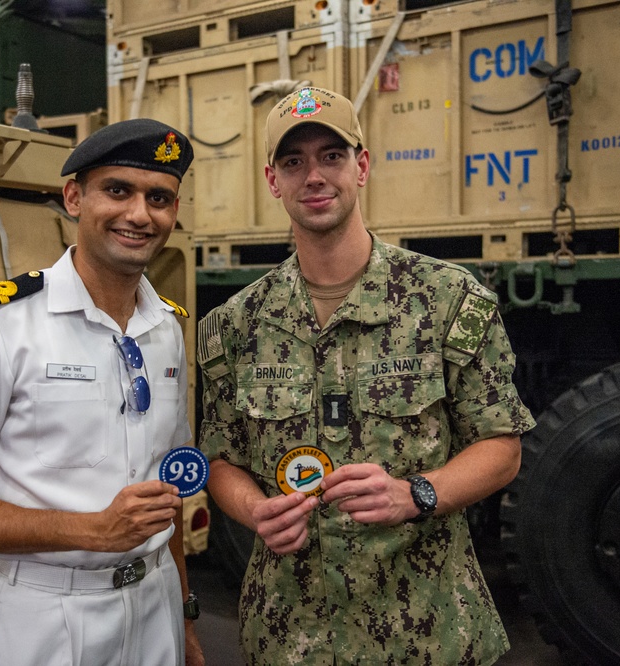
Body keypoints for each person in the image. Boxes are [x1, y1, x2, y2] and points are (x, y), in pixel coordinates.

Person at [196, 86, 537, 665]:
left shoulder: (447, 300)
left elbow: (501, 446)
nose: (315, 177)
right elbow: (221, 459)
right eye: (293, 161)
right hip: (289, 635)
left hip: (426, 632)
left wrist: (414, 494)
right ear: (273, 180)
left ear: (363, 165)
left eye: (332, 156)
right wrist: (254, 510)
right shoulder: (235, 325)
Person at [0, 118, 205, 666]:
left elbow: (165, 496)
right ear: (74, 197)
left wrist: (184, 619)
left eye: (159, 198)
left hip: (155, 606)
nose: (140, 214)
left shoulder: (166, 329)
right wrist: (93, 530)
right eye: (118, 190)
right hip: (48, 617)